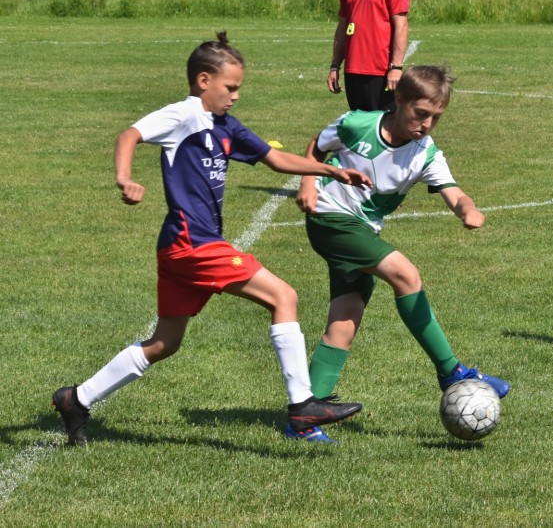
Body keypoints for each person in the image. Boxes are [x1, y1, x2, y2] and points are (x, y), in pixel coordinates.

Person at [52, 33, 374, 446]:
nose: (236, 96)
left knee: (165, 343)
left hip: (178, 248)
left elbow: (275, 159)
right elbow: (129, 135)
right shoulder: (183, 115)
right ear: (204, 81)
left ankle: (76, 398)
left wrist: (331, 171)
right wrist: (124, 177)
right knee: (284, 296)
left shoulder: (225, 126)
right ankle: (302, 406)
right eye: (231, 87)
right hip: (194, 244)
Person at [294, 64, 509, 442]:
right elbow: (318, 145)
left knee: (345, 319)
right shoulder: (357, 124)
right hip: (331, 219)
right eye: (420, 113)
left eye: (436, 117)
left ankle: (304, 418)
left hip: (363, 229)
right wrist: (308, 184)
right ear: (399, 100)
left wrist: (468, 210)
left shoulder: (426, 154)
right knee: (405, 274)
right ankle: (451, 372)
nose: (427, 124)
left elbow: (454, 192)